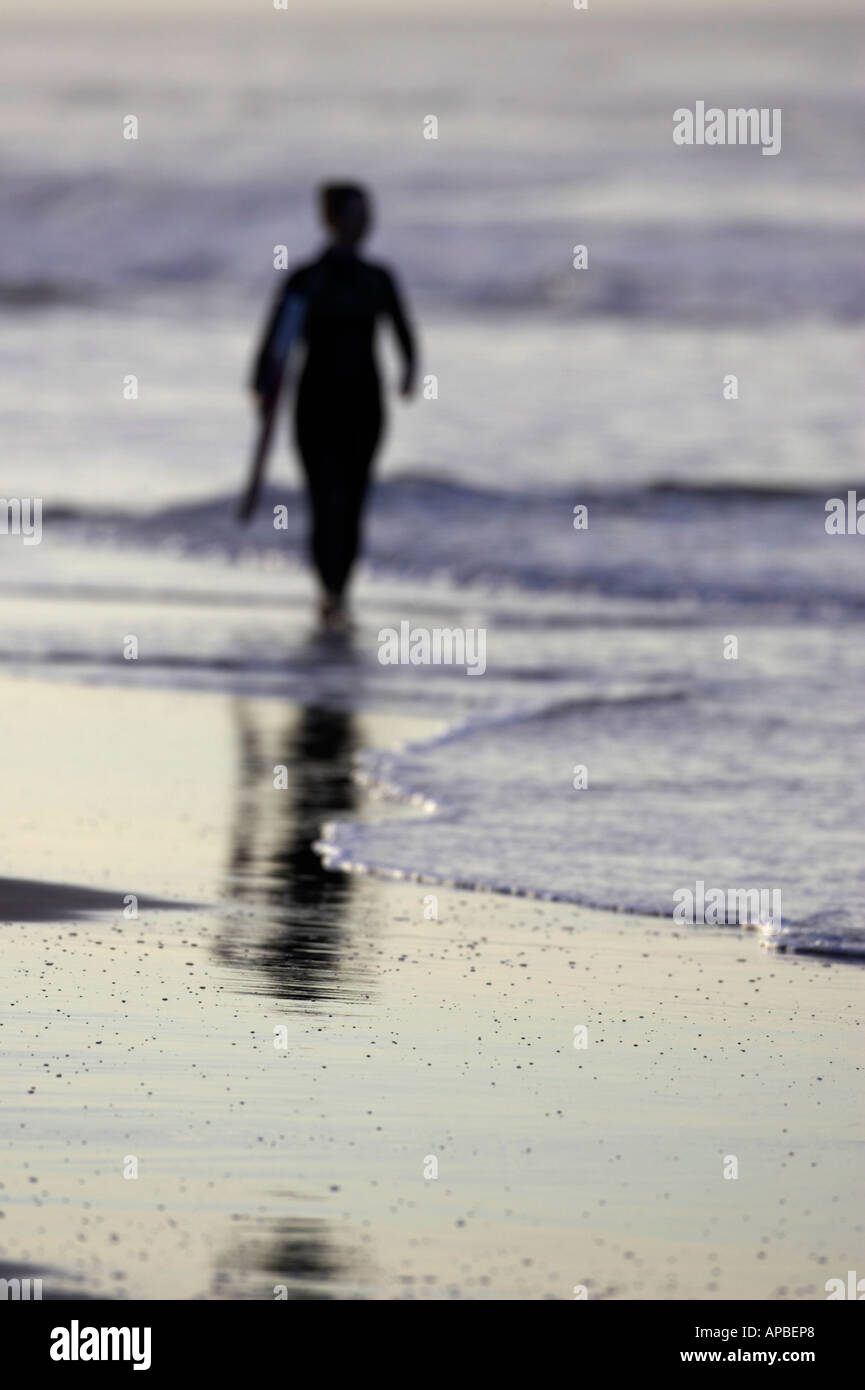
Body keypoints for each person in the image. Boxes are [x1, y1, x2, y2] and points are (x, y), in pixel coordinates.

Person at [250, 183, 417, 628]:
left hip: (365, 408)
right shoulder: (306, 280)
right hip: (314, 407)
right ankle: (328, 592)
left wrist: (409, 373)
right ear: (331, 220)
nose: (364, 223)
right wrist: (262, 386)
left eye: (368, 213)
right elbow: (274, 343)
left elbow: (404, 334)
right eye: (355, 214)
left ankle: (340, 592)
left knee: (355, 500)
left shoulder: (377, 279)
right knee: (324, 500)